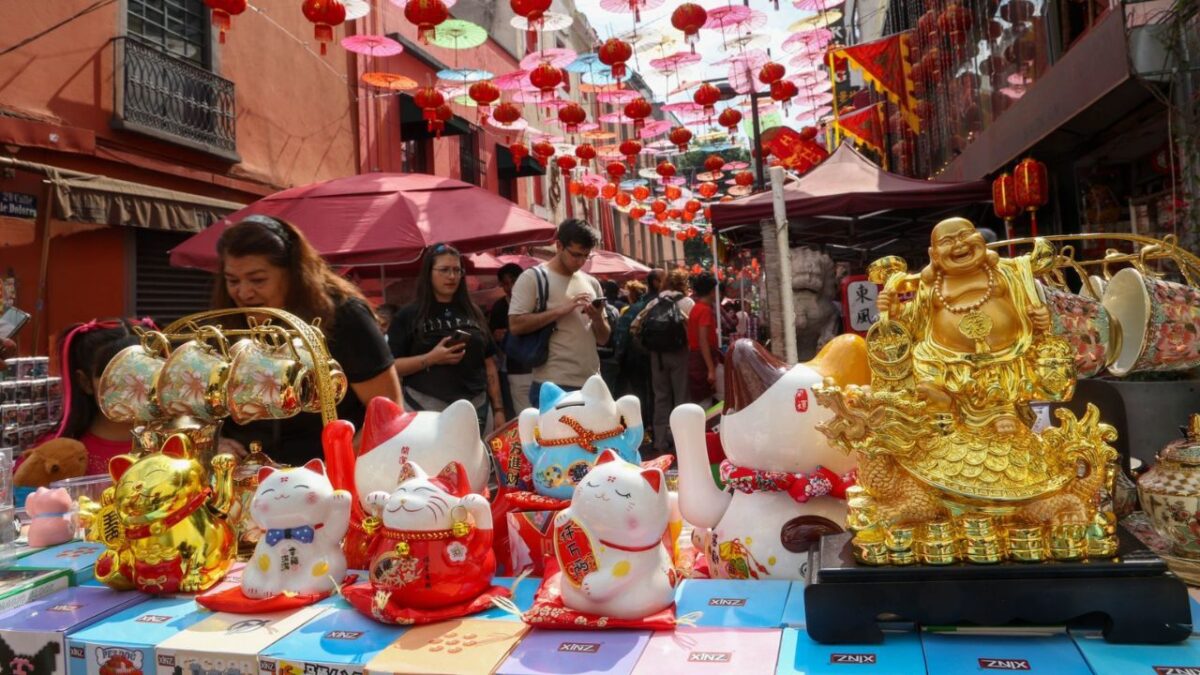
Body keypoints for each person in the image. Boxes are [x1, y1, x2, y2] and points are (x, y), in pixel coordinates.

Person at [213, 215, 401, 465]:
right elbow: (200, 405)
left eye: (258, 280)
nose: (244, 292)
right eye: (232, 281)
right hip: (247, 483)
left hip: (327, 484)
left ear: (293, 273)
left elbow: (389, 413)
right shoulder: (226, 321)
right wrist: (217, 439)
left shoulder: (343, 315)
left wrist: (330, 470)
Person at [390, 243, 504, 435]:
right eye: (444, 270)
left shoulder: (473, 311)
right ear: (429, 273)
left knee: (478, 465)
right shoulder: (408, 315)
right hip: (425, 408)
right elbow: (391, 367)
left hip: (477, 407)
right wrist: (432, 358)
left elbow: (489, 362)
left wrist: (499, 409)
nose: (451, 276)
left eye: (456, 270)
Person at [508, 219, 610, 408]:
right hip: (553, 383)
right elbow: (515, 325)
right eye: (576, 255)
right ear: (559, 245)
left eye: (586, 256)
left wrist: (597, 318)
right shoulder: (533, 278)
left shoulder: (592, 282)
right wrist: (560, 310)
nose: (580, 262)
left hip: (592, 382)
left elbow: (603, 339)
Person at [37, 318, 155, 474]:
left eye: (149, 373)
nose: (137, 386)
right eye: (118, 378)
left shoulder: (180, 441)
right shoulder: (55, 454)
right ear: (85, 382)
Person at [631, 268, 693, 456]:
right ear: (683, 284)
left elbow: (634, 326)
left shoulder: (654, 302)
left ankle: (659, 441)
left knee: (661, 398)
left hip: (656, 356)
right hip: (680, 354)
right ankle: (681, 441)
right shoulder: (687, 302)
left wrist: (647, 348)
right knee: (681, 397)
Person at [490, 263, 531, 418]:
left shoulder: (534, 301)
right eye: (505, 284)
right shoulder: (499, 307)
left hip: (538, 365)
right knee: (521, 415)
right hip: (512, 368)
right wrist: (496, 336)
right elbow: (492, 335)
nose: (510, 287)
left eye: (514, 281)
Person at [688, 273, 722, 404]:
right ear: (712, 292)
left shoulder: (695, 308)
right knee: (705, 402)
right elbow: (703, 341)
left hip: (696, 358)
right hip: (702, 360)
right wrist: (711, 369)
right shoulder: (704, 310)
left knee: (702, 400)